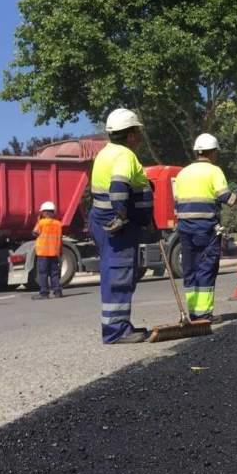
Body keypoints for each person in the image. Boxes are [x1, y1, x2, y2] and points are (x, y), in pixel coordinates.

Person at [173, 133, 237, 322]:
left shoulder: (183, 173)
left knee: (190, 269)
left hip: (185, 229)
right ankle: (204, 314)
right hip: (205, 228)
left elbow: (177, 201)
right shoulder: (214, 171)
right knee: (206, 268)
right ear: (213, 152)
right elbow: (226, 197)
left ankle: (193, 313)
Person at [89, 108, 153, 344]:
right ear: (131, 135)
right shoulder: (125, 156)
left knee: (116, 271)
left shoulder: (105, 153)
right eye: (138, 132)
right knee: (119, 273)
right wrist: (121, 215)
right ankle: (116, 331)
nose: (140, 137)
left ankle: (119, 324)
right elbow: (118, 187)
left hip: (102, 221)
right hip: (118, 226)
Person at [31, 201, 63, 300]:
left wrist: (38, 221)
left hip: (43, 253)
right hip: (54, 252)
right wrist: (60, 251)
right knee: (54, 273)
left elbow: (35, 233)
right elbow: (60, 238)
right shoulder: (58, 224)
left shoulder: (41, 223)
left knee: (43, 273)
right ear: (53, 212)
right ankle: (57, 292)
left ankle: (44, 293)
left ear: (44, 213)